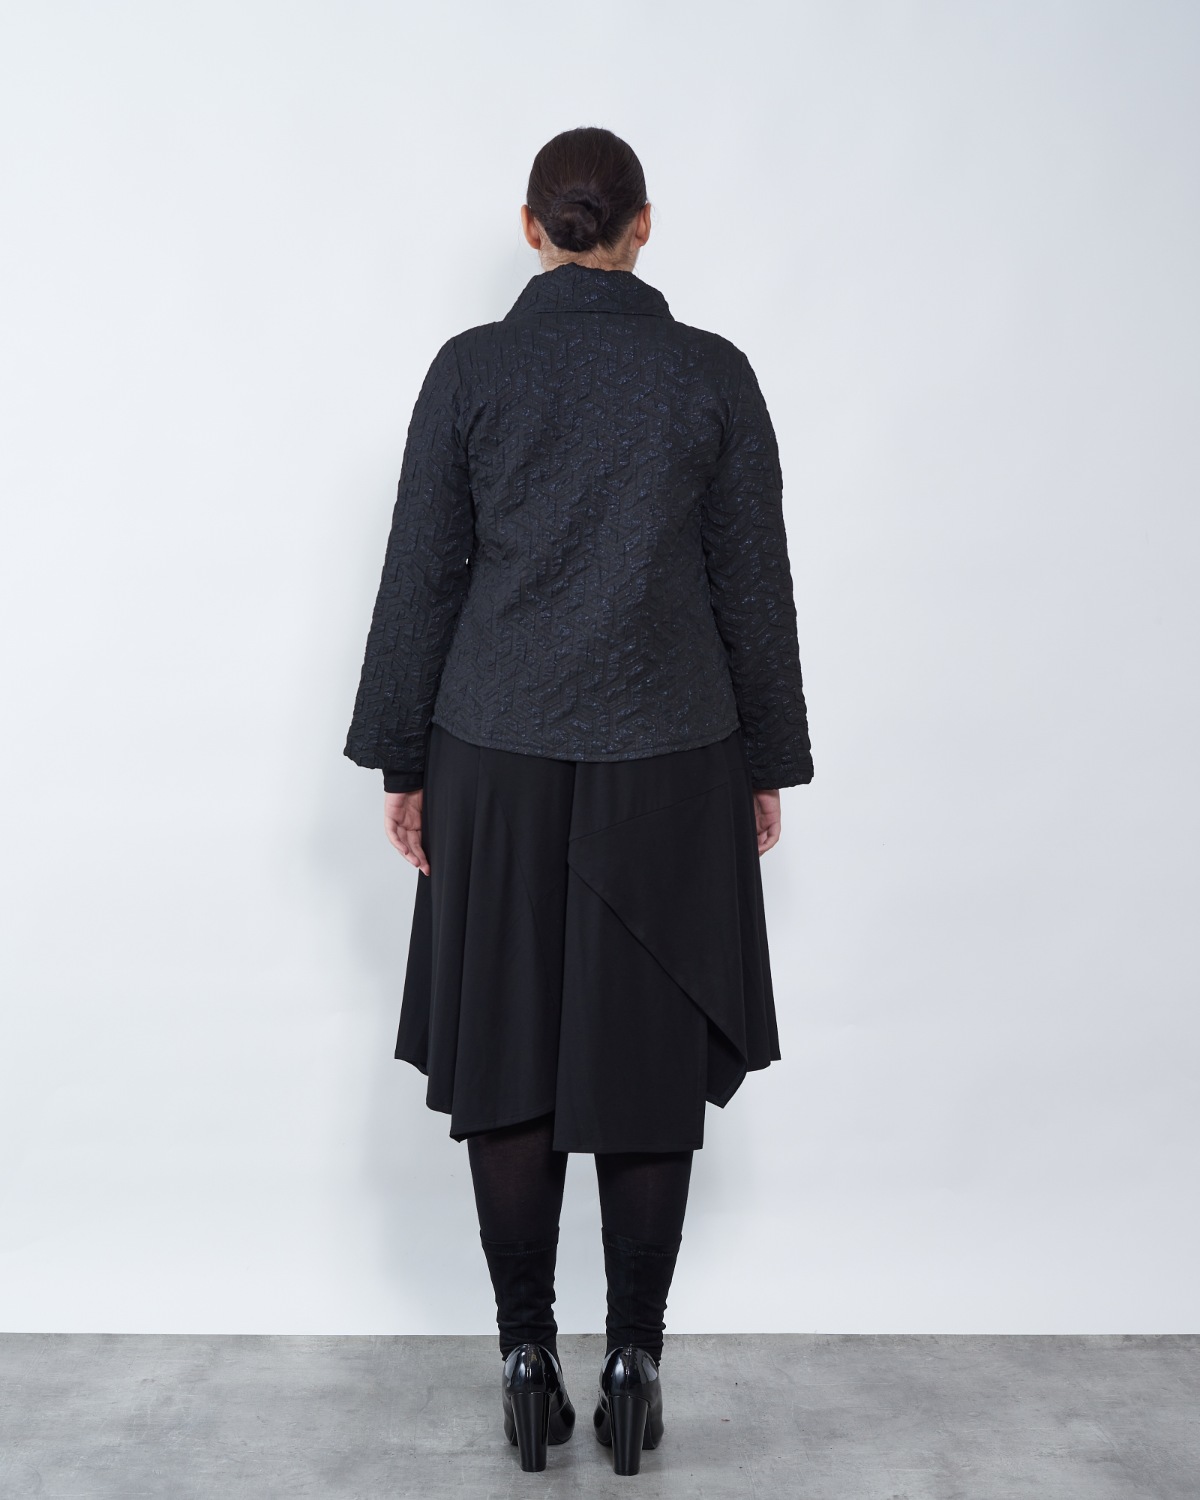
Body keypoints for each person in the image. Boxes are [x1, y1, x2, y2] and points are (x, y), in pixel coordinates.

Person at [343, 125, 814, 1476]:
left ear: (534, 227)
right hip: (673, 754)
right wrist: (767, 760)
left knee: (510, 1051)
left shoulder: (472, 370)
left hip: (493, 754)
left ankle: (523, 1356)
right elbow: (752, 587)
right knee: (646, 1062)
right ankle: (633, 1362)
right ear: (642, 227)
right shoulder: (711, 374)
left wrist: (404, 761)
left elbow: (422, 574)